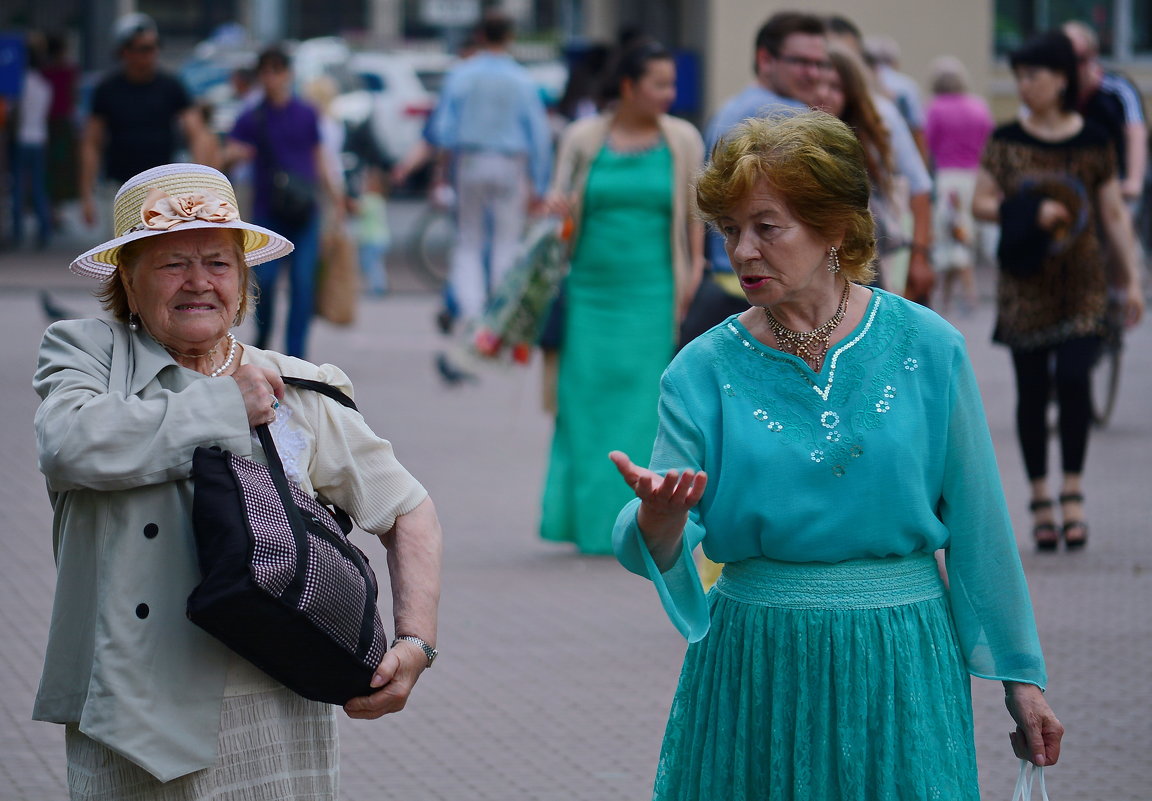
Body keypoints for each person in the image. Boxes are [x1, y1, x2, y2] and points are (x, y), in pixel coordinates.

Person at [608, 111, 1063, 799]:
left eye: (767, 226)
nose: (743, 250)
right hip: (757, 663)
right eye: (731, 230)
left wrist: (1020, 680)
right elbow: (664, 532)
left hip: (903, 658)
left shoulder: (928, 345)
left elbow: (980, 523)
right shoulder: (700, 370)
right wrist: (661, 517)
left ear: (835, 227)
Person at [32, 162, 442, 800]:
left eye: (218, 263)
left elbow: (408, 510)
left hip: (270, 699)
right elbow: (70, 445)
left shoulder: (298, 384)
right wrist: (226, 407)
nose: (198, 282)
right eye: (172, 264)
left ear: (244, 280)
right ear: (128, 283)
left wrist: (415, 641)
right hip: (127, 706)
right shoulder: (88, 358)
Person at [973, 31, 1144, 550]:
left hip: (1084, 283)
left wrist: (1131, 279)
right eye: (1018, 76)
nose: (1024, 86)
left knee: (1073, 379)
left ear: (1061, 79)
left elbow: (1113, 214)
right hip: (1026, 284)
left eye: (1033, 76)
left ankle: (1073, 490)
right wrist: (1025, 210)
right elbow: (981, 202)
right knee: (1030, 391)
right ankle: (1040, 496)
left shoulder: (1093, 139)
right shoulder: (1006, 140)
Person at [540, 41, 704, 555]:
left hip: (654, 293)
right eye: (659, 83)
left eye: (672, 84)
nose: (669, 94)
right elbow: (556, 214)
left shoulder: (683, 139)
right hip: (589, 292)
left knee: (647, 405)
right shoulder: (583, 138)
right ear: (629, 86)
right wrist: (556, 211)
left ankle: (644, 523)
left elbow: (694, 218)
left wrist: (694, 272)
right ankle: (591, 527)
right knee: (583, 405)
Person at [679, 12, 819, 347]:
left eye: (819, 63)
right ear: (765, 60)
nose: (812, 73)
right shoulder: (787, 115)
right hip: (764, 287)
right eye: (800, 61)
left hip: (727, 278)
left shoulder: (728, 109)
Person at [429, 10, 553, 330]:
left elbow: (443, 129)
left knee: (468, 239)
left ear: (481, 36)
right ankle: (501, 314)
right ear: (510, 37)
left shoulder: (462, 74)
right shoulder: (523, 79)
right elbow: (538, 135)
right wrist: (540, 183)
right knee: (506, 240)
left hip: (469, 160)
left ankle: (471, 313)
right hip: (511, 163)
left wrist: (442, 172)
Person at [226, 46, 345, 359]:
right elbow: (225, 154)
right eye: (266, 71)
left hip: (305, 212)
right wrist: (237, 153)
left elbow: (320, 159)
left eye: (278, 70)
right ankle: (264, 343)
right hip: (269, 212)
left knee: (302, 284)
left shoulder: (306, 113)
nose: (272, 77)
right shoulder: (252, 117)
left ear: (289, 74)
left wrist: (336, 198)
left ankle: (296, 358)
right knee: (264, 282)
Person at [824, 15, 934, 302]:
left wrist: (919, 257)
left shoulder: (880, 119)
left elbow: (919, 187)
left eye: (835, 86)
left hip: (881, 256)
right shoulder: (798, 124)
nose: (823, 93)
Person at [79, 13, 218, 230]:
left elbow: (197, 133)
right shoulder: (107, 90)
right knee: (119, 256)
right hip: (119, 188)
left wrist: (200, 185)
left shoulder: (171, 86)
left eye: (155, 47)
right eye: (144, 48)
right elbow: (91, 143)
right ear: (124, 51)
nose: (152, 54)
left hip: (162, 190)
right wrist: (87, 196)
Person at [924, 56, 994, 315]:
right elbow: (990, 144)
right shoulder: (979, 107)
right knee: (962, 232)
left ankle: (967, 292)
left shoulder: (935, 108)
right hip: (975, 179)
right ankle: (949, 295)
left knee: (951, 234)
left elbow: (927, 145)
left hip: (948, 180)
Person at [1062, 21, 1147, 212]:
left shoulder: (1118, 89)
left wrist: (1133, 180)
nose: (1073, 68)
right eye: (1065, 60)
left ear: (1093, 56)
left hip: (1117, 185)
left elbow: (1136, 132)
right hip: (1071, 187)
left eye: (1080, 59)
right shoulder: (1056, 93)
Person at [10, 37, 53, 249]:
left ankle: (17, 232)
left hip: (21, 138)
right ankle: (43, 231)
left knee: (18, 187)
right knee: (38, 187)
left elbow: (13, 113)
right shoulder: (45, 86)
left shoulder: (18, 86)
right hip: (39, 138)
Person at [354, 165, 392, 296]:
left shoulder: (370, 200)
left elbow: (358, 209)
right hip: (381, 239)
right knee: (377, 264)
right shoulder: (380, 199)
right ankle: (380, 284)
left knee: (369, 264)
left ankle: (378, 287)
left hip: (372, 239)